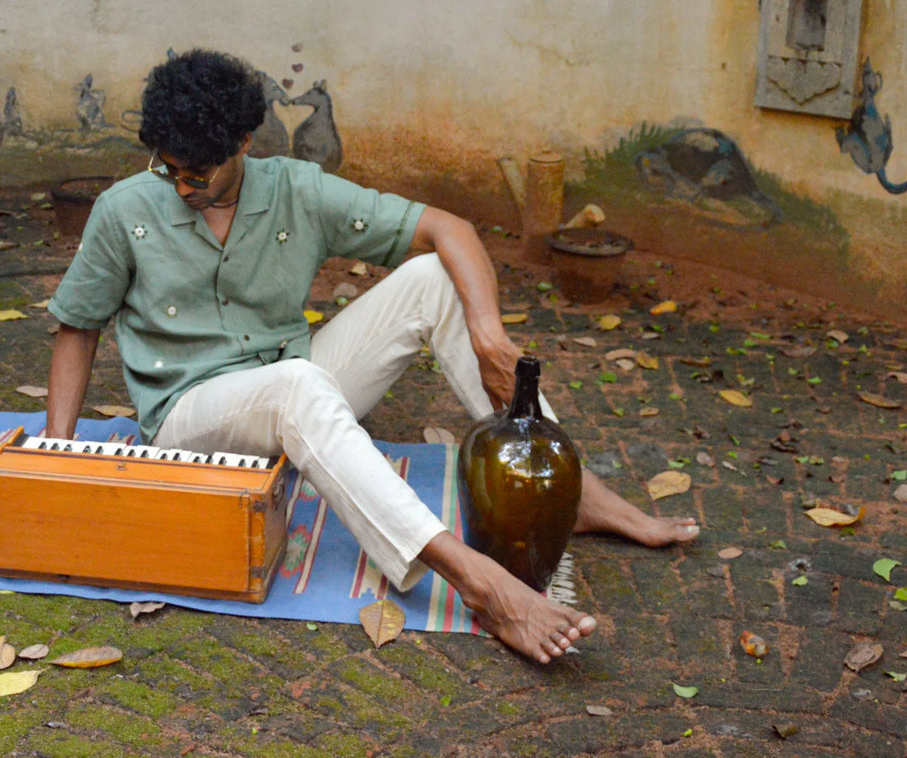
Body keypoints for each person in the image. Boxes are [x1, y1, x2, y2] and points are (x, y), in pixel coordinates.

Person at [45, 48, 698, 664]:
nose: (181, 185)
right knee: (296, 383)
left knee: (434, 281)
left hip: (293, 392)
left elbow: (450, 229)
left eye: (198, 172)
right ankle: (476, 581)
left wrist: (490, 336)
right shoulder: (123, 210)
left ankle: (574, 494)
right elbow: (76, 325)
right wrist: (53, 456)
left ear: (242, 145)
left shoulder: (295, 189)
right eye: (168, 168)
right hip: (190, 419)